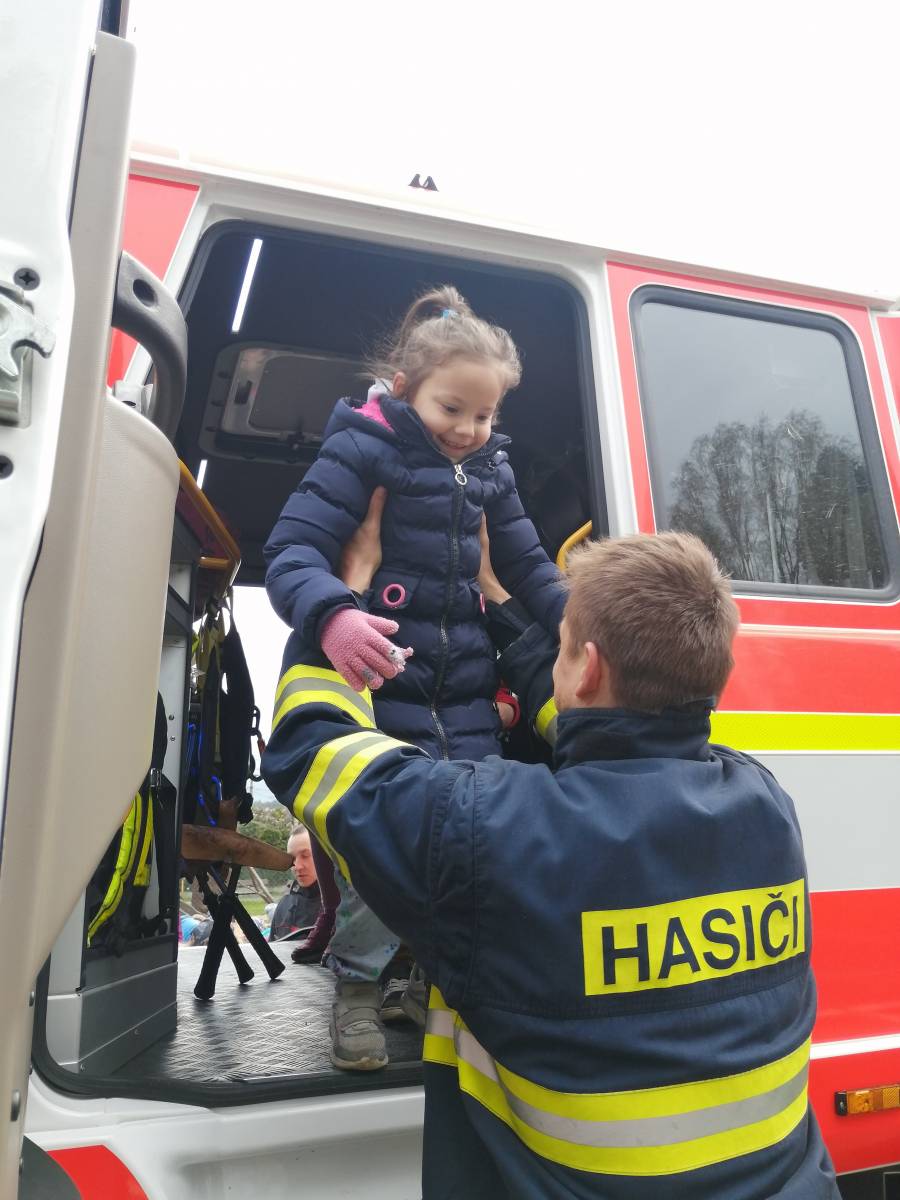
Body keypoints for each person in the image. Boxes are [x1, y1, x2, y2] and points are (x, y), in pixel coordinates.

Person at [262, 504, 840, 1199]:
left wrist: (342, 605)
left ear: (588, 668)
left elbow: (312, 751)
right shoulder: (765, 806)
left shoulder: (485, 831)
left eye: (565, 646)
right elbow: (604, 728)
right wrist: (501, 601)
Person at [264, 285, 563, 1070]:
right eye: (451, 409)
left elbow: (530, 566)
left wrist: (577, 622)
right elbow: (290, 552)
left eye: (485, 415)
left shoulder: (491, 471)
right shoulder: (362, 449)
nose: (468, 430)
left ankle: (428, 985)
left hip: (464, 700)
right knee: (382, 856)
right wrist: (335, 614)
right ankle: (359, 989)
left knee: (472, 854)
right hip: (382, 690)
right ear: (403, 389)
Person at [268, 824, 322, 942]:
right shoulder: (284, 904)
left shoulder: (342, 908)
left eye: (305, 855)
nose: (296, 866)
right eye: (292, 858)